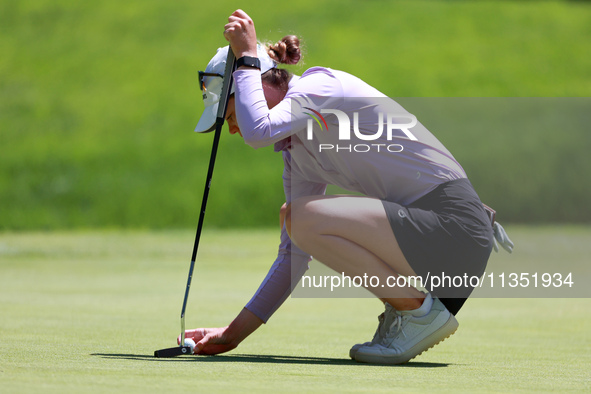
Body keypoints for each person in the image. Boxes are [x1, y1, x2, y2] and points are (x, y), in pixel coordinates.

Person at [183, 9, 512, 364]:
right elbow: (293, 256)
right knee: (297, 221)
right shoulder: (299, 153)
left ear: (256, 81)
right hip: (438, 247)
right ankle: (411, 308)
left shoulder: (320, 87)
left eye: (230, 114)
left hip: (453, 228)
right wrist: (233, 334)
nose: (233, 128)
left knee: (299, 216)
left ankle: (416, 311)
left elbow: (258, 131)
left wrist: (245, 55)